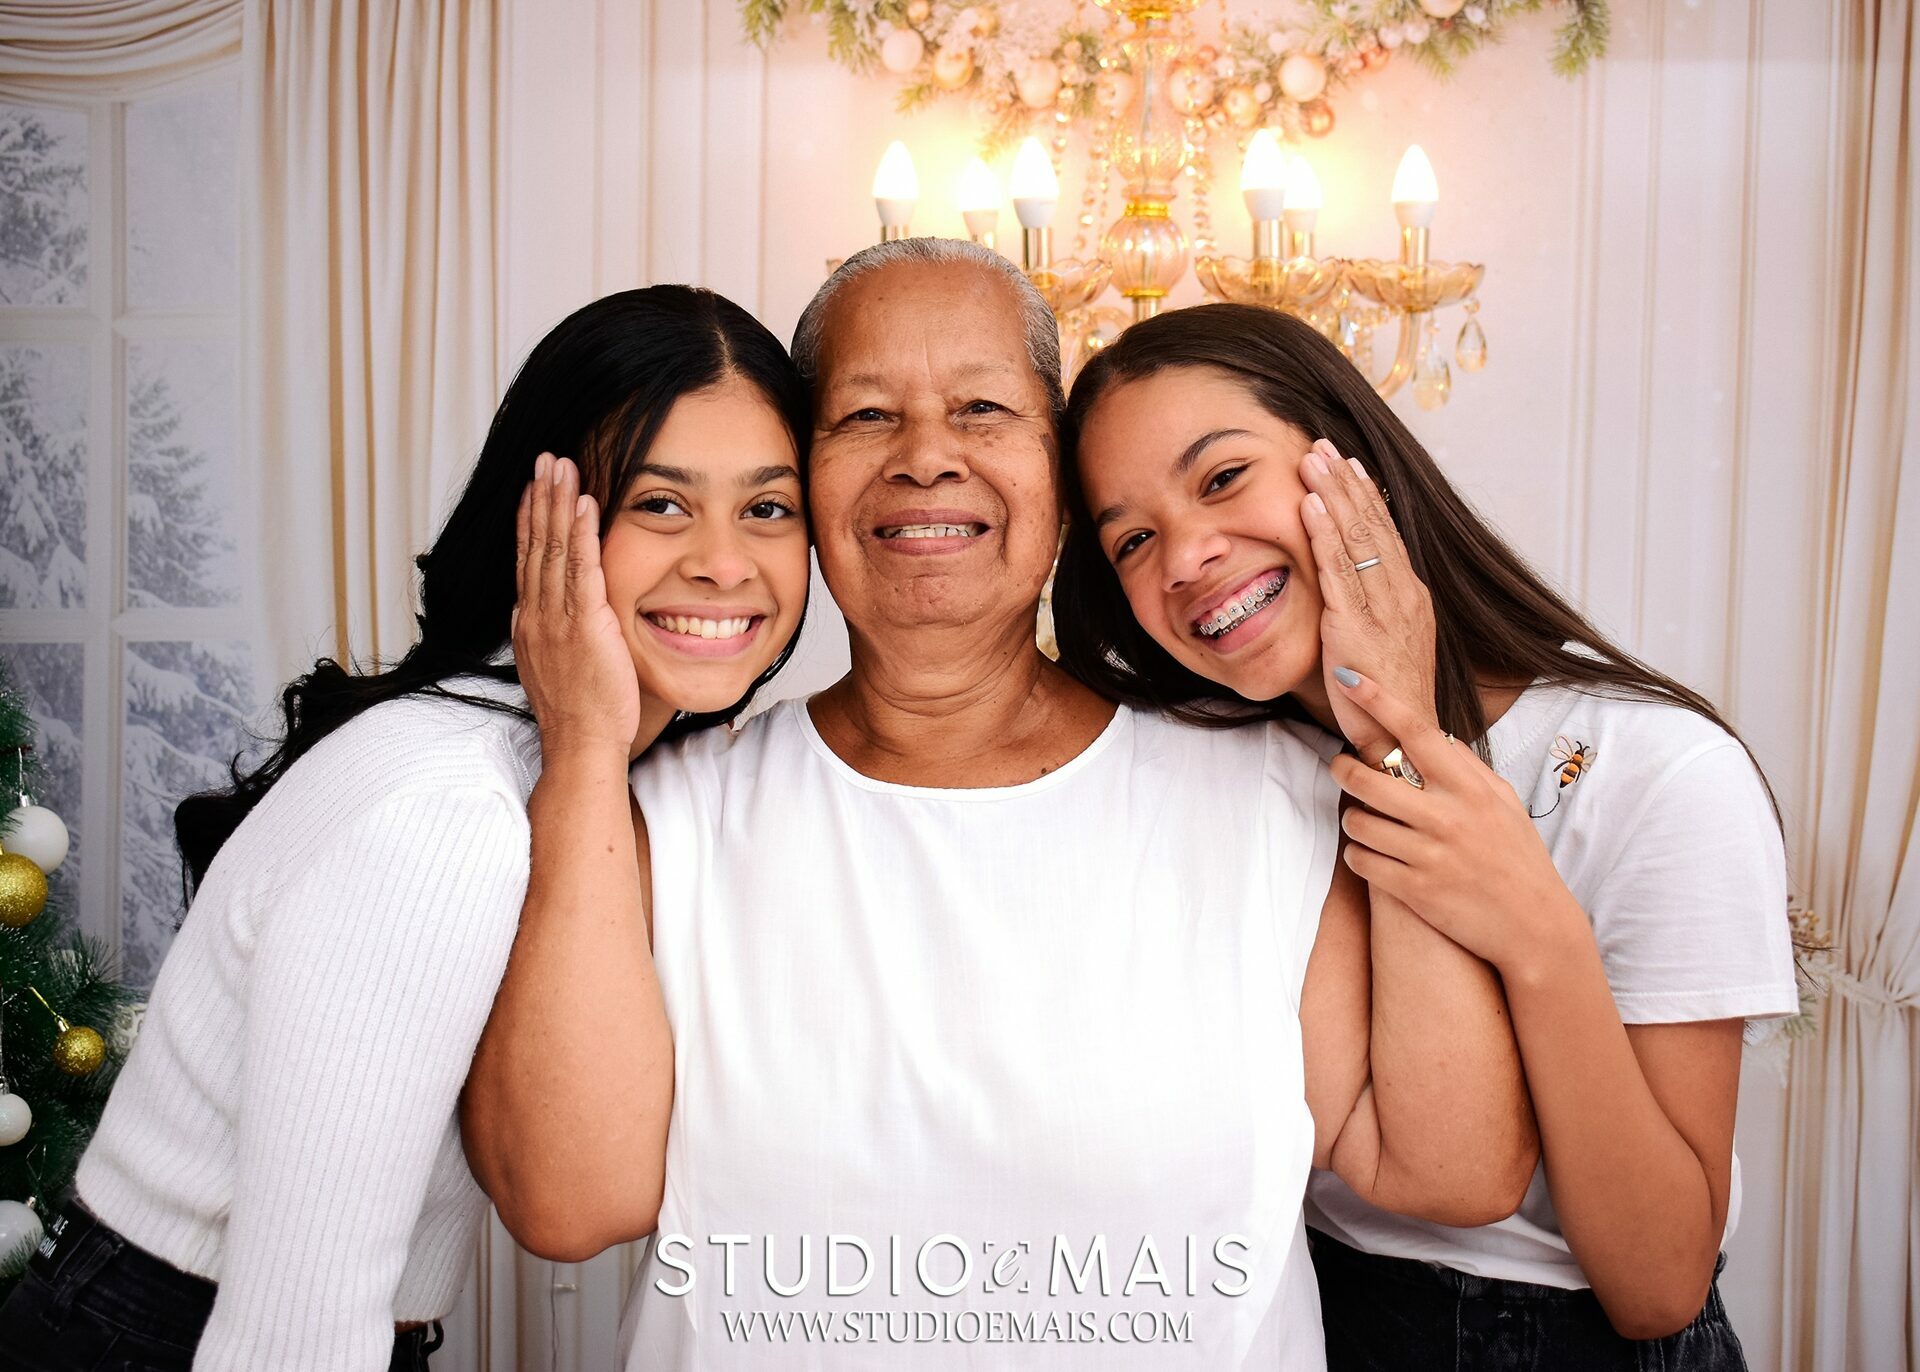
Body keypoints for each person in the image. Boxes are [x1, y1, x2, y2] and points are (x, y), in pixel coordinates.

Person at [461, 239, 1537, 1370]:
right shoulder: (659, 819)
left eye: (982, 409)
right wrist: (581, 752)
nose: (928, 458)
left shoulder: (1270, 795)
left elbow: (1455, 1167)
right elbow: (568, 1202)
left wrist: (1398, 727)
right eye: (867, 416)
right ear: (804, 481)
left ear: (1059, 473)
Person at [0, 286, 813, 1372]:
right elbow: (293, 1332)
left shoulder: (574, 765)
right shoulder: (447, 811)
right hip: (169, 1337)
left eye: (768, 508)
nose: (724, 561)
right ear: (542, 523)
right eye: (661, 503)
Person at [1052, 302, 1799, 1371]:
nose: (1186, 556)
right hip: (1305, 1309)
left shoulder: (1657, 770)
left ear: (1350, 461)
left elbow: (1658, 1285)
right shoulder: (1216, 773)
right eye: (1132, 538)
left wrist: (1538, 933)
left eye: (1222, 478)